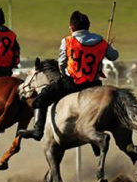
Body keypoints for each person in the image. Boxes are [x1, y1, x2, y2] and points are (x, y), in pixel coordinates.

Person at [19, 11, 119, 141]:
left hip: (72, 83)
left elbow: (61, 63)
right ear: (88, 26)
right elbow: (114, 56)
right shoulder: (100, 41)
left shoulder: (67, 41)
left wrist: (64, 73)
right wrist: (108, 46)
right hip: (94, 84)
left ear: (71, 27)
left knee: (41, 99)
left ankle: (38, 131)